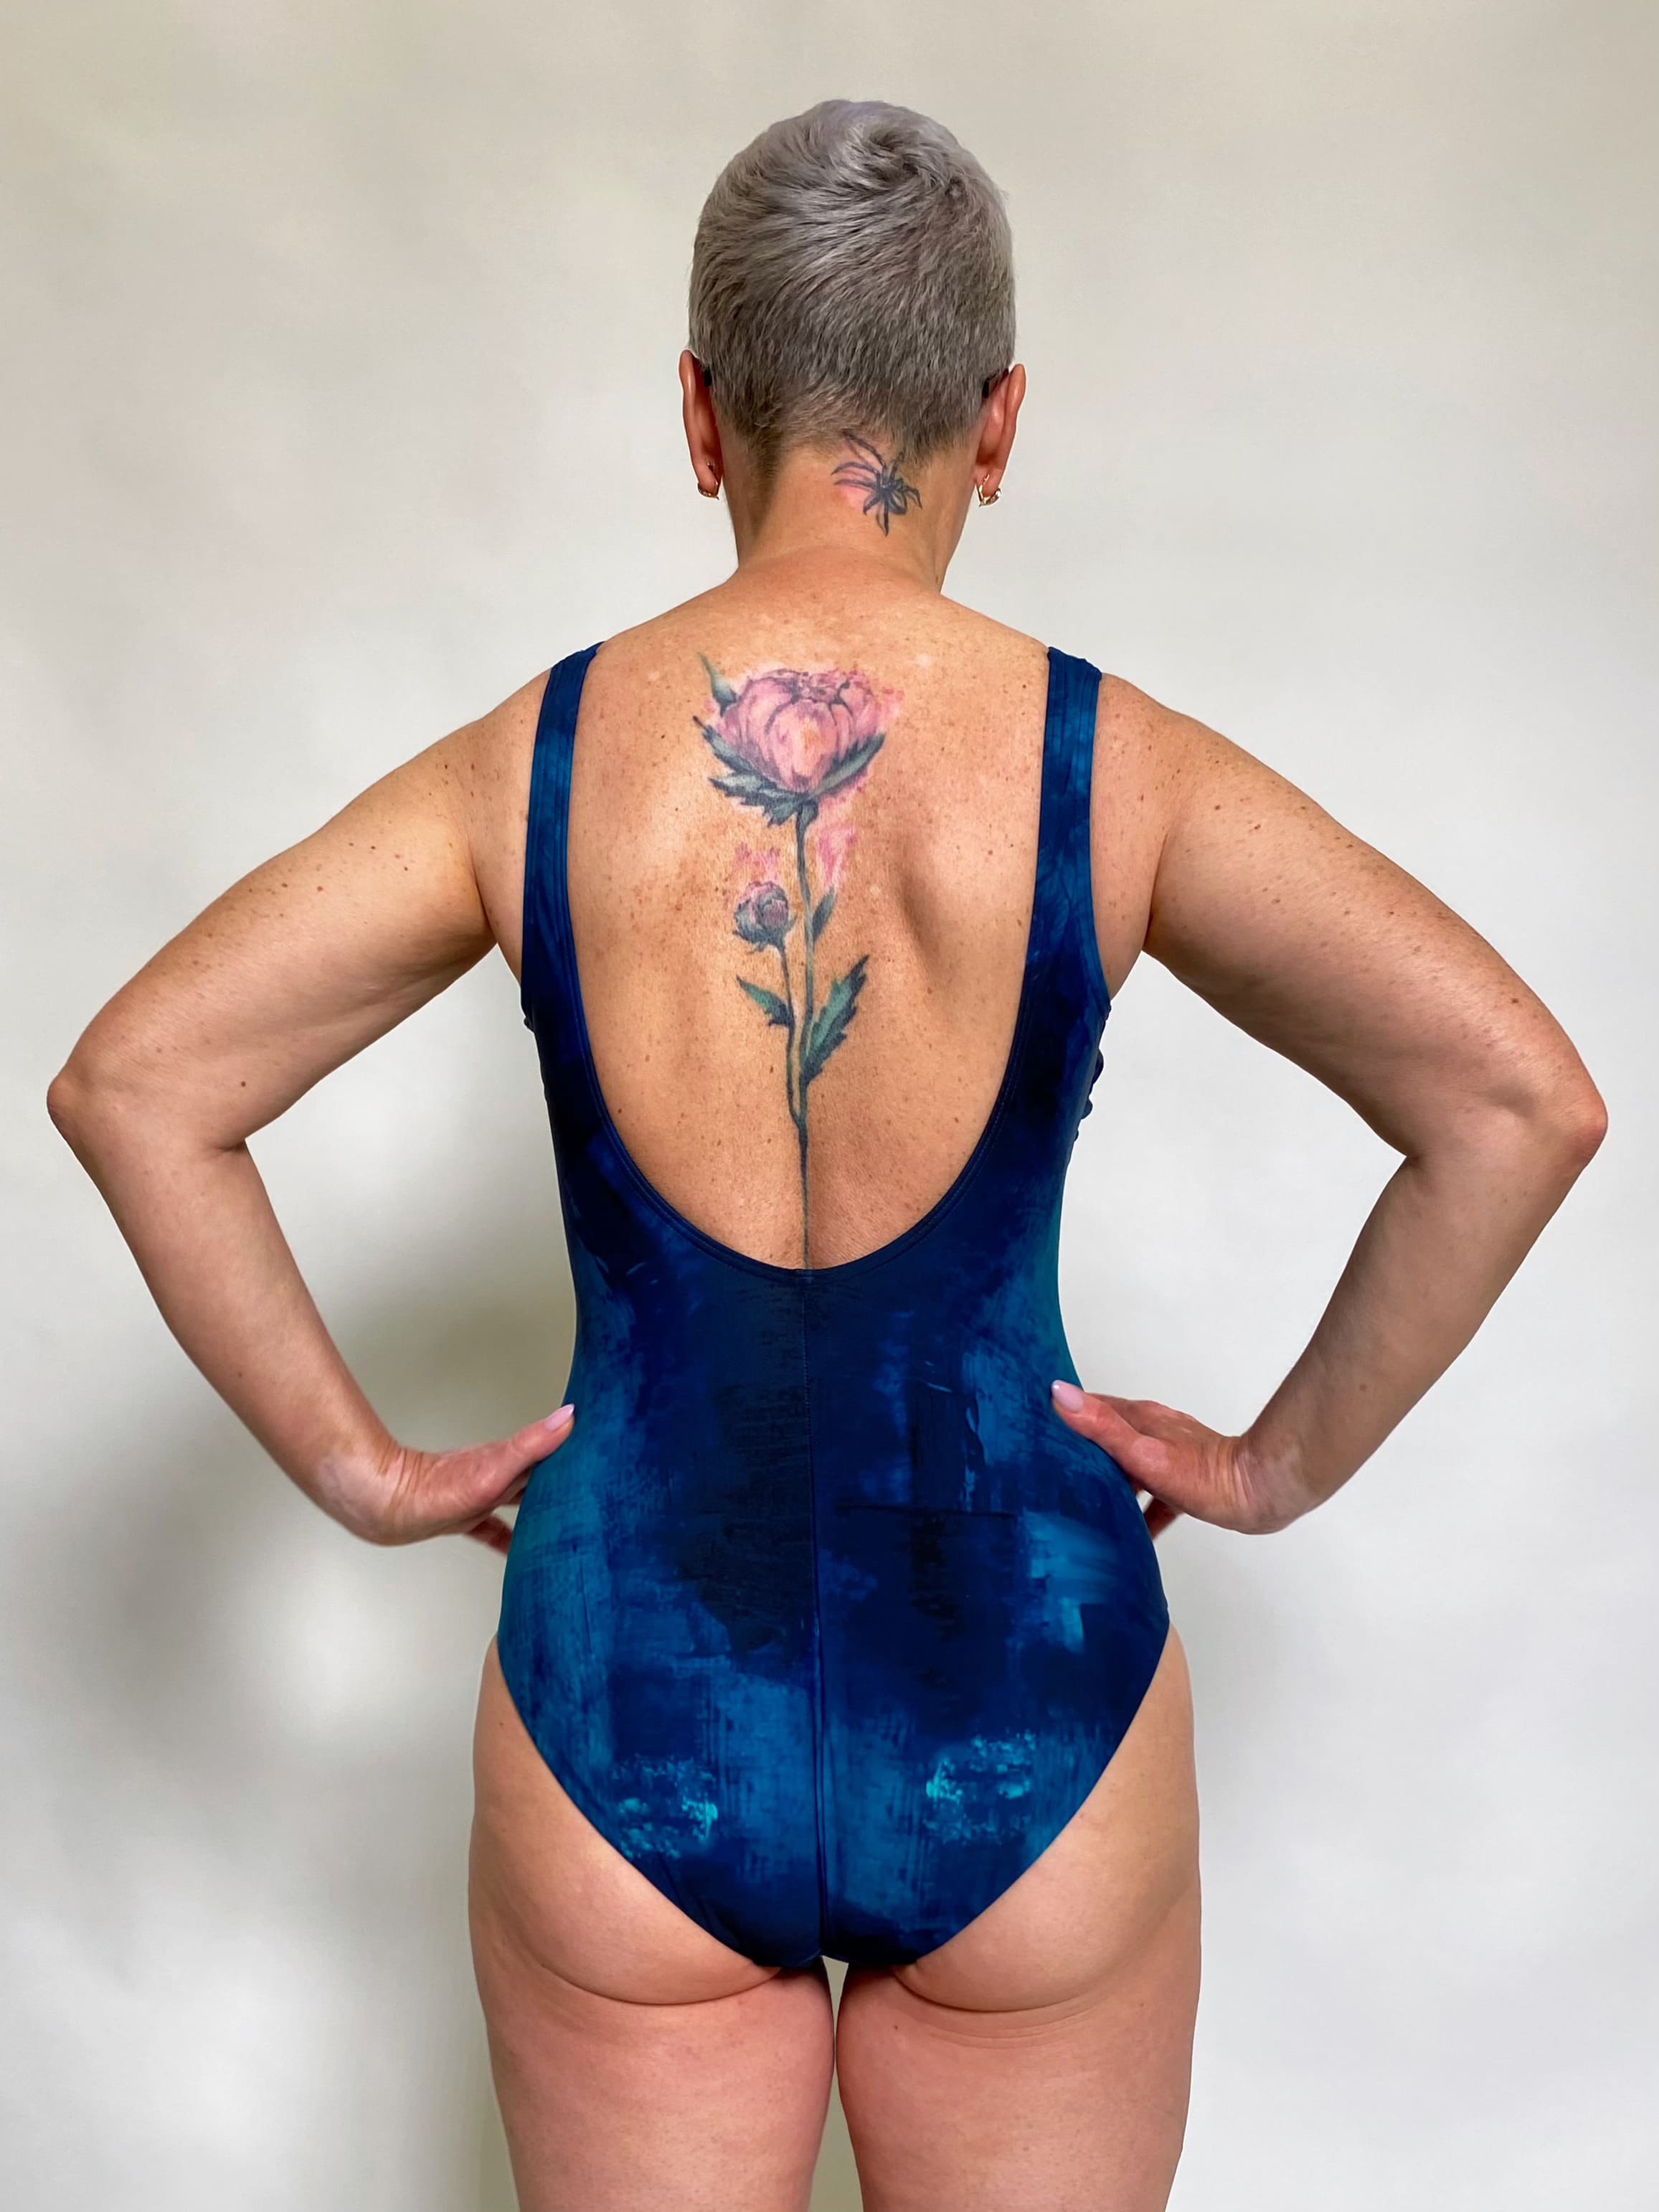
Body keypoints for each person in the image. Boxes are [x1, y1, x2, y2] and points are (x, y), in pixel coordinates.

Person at [47, 96, 1604, 2212]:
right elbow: (1518, 1100)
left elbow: (136, 1081)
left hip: (624, 1711)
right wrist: (1272, 1465)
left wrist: (363, 1470)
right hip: (1028, 1700)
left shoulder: (532, 765)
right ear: (1002, 419)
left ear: (700, 415)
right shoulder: (1116, 766)